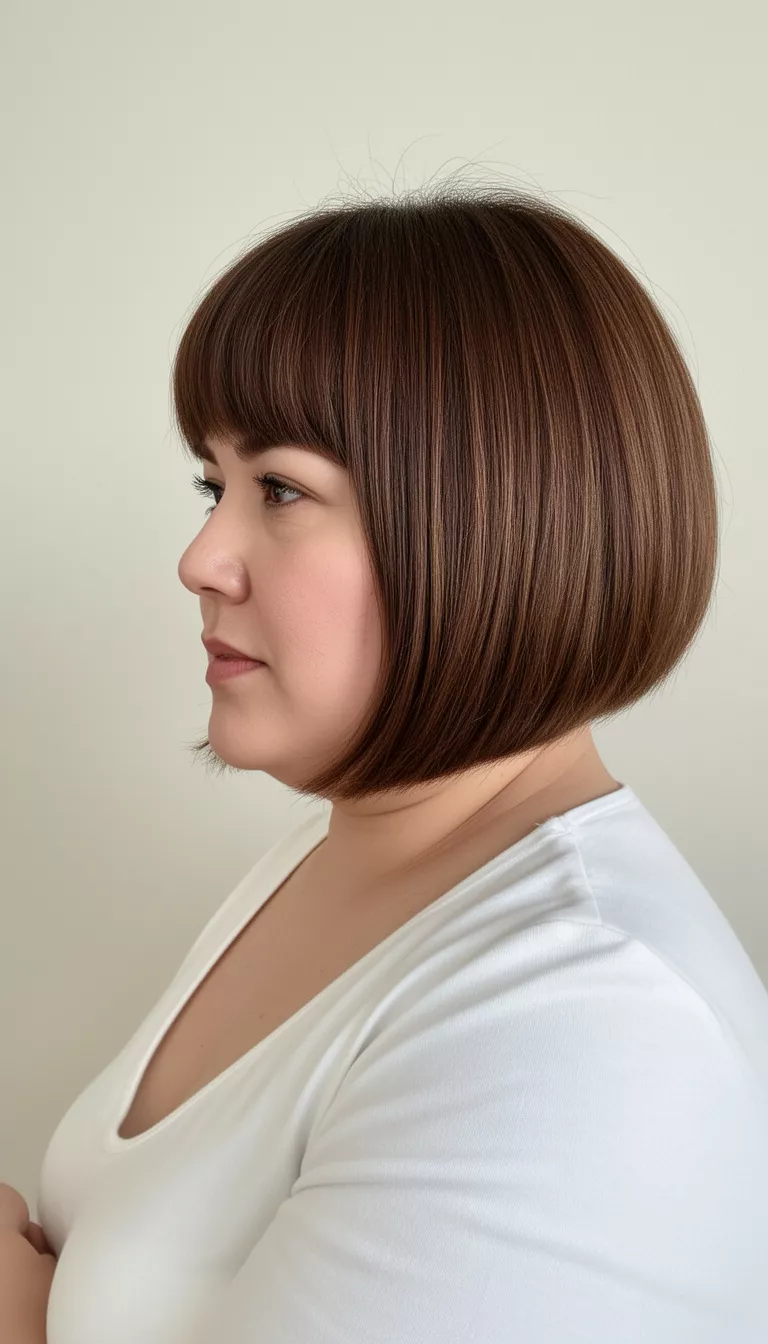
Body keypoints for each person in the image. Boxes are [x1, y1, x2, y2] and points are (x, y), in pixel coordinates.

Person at [34, 182, 768, 1343]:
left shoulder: (586, 1018)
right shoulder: (333, 858)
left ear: (490, 522)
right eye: (210, 484)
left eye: (278, 489)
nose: (202, 556)